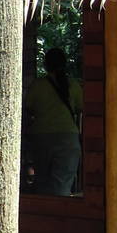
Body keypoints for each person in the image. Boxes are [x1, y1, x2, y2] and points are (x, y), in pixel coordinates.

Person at [23, 47, 83, 196]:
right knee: (62, 187)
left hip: (41, 137)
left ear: (46, 65)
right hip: (68, 139)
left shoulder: (37, 86)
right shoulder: (73, 85)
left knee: (42, 185)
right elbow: (81, 108)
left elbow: (28, 109)